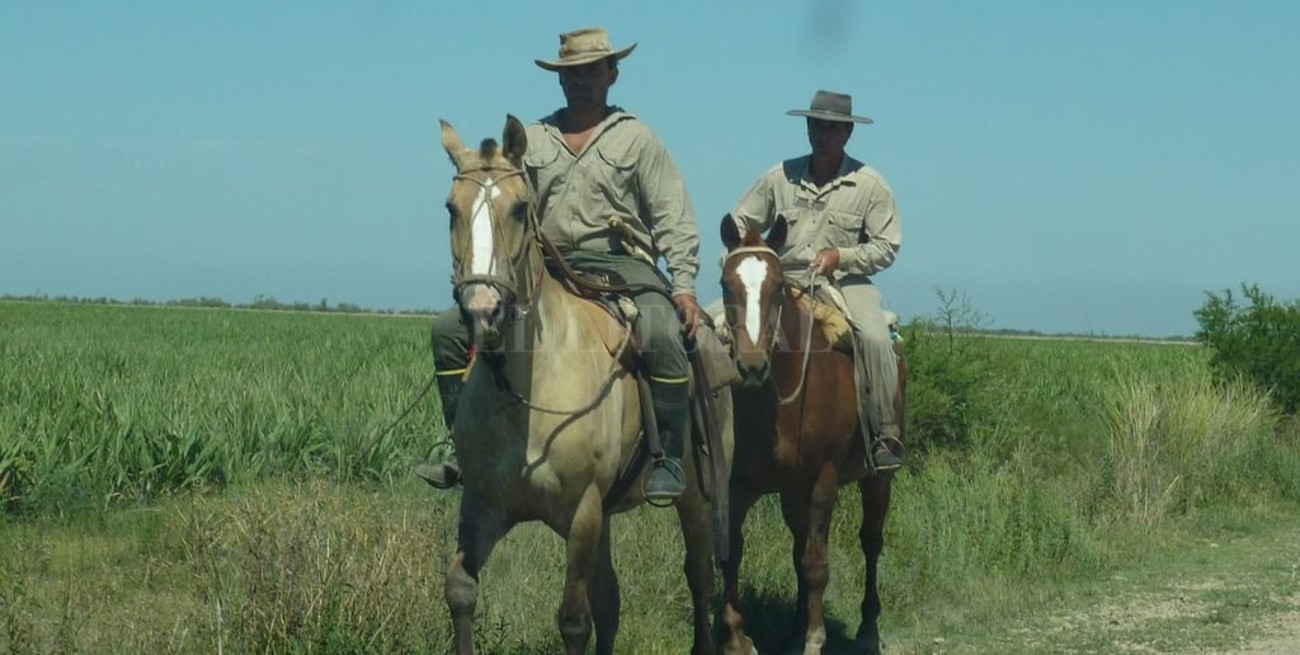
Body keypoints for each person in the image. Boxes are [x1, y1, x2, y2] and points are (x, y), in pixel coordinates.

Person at [416, 27, 702, 501]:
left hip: (621, 265)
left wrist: (685, 284)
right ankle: (461, 445)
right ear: (560, 80)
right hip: (548, 268)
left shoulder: (637, 138)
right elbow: (499, 198)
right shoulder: (533, 140)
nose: (581, 80)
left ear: (612, 73)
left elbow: (673, 215)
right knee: (449, 330)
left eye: (591, 70)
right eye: (571, 73)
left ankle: (669, 456)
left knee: (662, 333)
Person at [729, 89, 905, 471]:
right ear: (807, 128)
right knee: (710, 327)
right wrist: (750, 252)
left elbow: (887, 246)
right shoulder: (779, 176)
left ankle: (883, 433)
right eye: (817, 126)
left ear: (847, 133)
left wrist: (842, 256)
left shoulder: (870, 184)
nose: (823, 134)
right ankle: (711, 433)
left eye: (833, 128)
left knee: (875, 338)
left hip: (844, 282)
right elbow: (742, 220)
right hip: (782, 278)